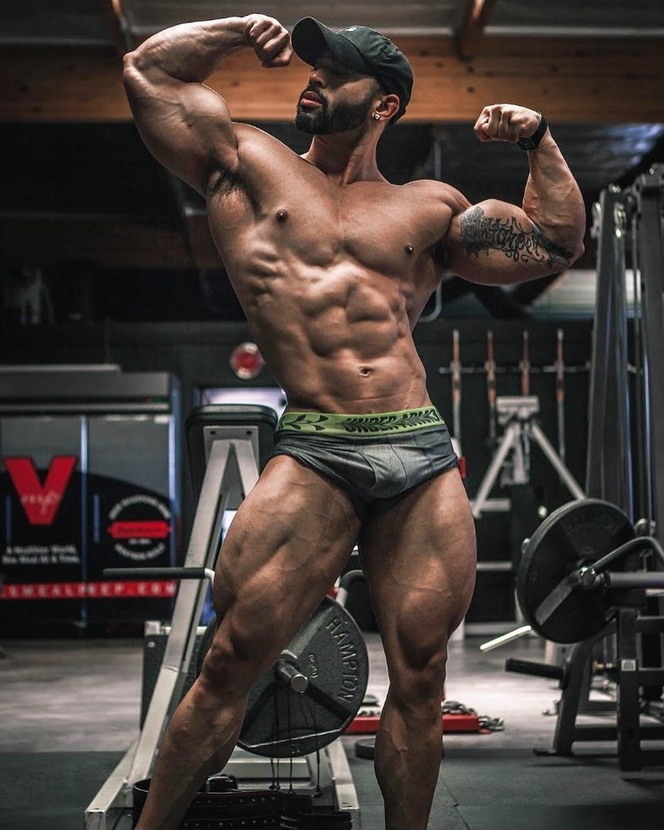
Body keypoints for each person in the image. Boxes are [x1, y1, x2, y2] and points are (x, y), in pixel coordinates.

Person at [123, 14, 585, 830]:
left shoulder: (428, 207)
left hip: (419, 453)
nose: (316, 79)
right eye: (316, 66)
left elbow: (554, 242)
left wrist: (538, 139)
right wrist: (235, 30)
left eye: (336, 72)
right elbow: (148, 73)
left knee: (422, 676)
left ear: (384, 105)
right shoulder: (246, 162)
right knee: (230, 661)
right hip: (317, 447)